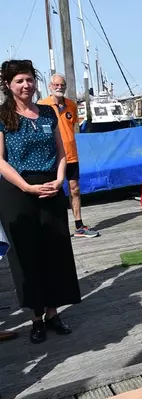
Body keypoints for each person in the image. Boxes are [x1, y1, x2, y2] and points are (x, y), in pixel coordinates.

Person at [0, 59, 81, 344]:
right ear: (8, 85)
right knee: (27, 255)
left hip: (50, 185)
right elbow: (0, 160)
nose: (26, 85)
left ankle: (53, 313)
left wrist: (59, 179)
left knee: (55, 250)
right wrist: (25, 186)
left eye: (29, 79)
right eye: (19, 81)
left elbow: (61, 151)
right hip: (17, 190)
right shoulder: (2, 115)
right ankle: (36, 318)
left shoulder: (47, 113)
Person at [38, 74, 100, 237]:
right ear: (50, 87)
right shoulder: (42, 105)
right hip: (51, 156)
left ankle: (79, 226)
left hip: (71, 155)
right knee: (50, 190)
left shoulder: (71, 105)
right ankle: (49, 227)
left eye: (62, 85)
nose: (59, 87)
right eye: (56, 84)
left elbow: (71, 127)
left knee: (75, 189)